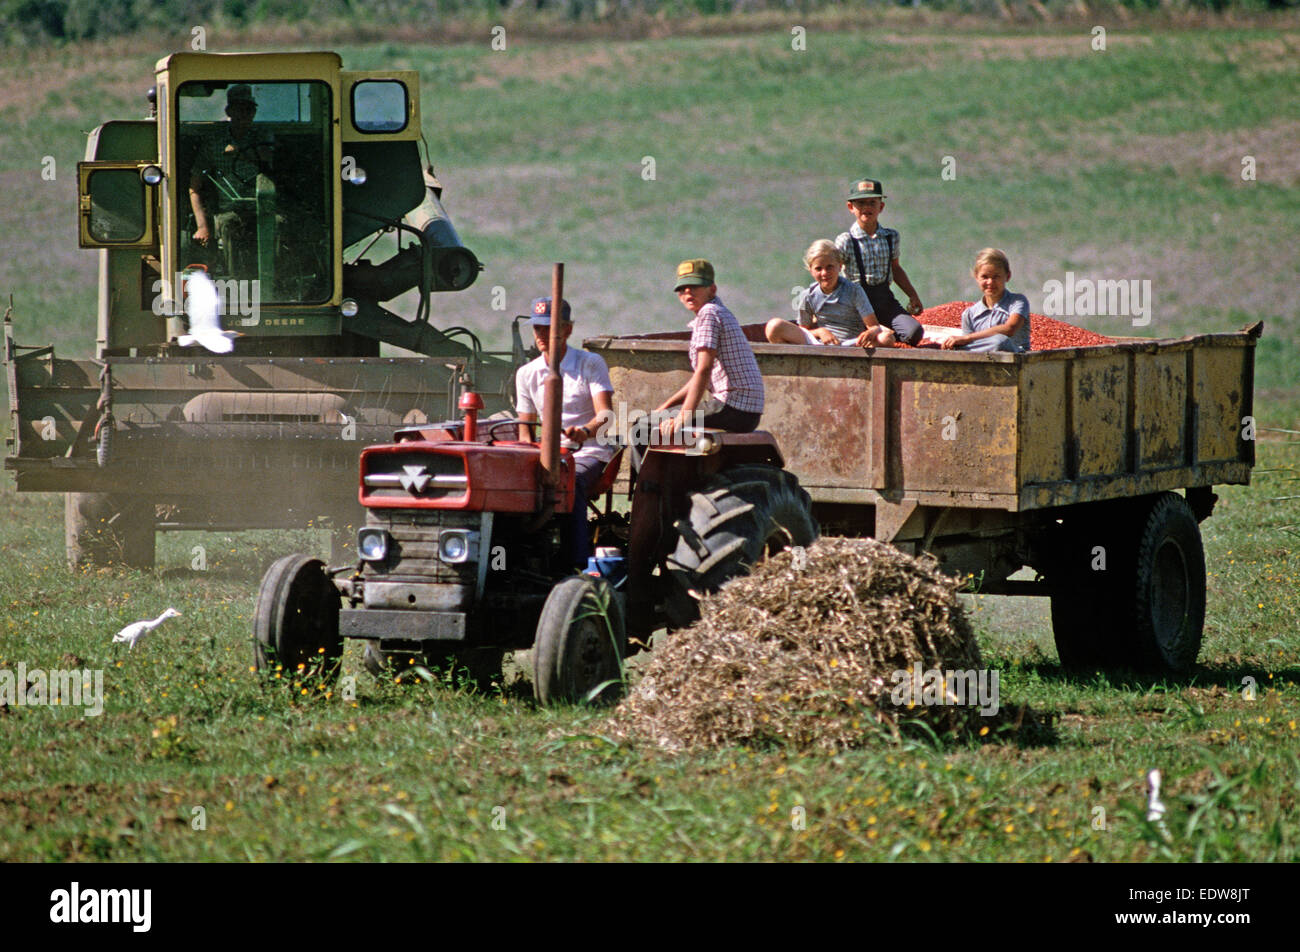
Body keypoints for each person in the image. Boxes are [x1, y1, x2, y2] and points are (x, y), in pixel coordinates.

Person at [514, 296, 616, 568]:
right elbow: (525, 431)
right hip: (547, 453)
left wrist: (585, 431)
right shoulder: (526, 373)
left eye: (550, 328)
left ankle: (575, 566)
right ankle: (519, 561)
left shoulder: (590, 363)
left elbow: (606, 416)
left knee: (571, 480)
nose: (542, 335)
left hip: (589, 450)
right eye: (538, 329)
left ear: (568, 330)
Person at [656, 258, 764, 437]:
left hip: (734, 408)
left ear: (712, 289)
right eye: (682, 288)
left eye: (695, 286)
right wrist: (666, 406)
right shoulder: (716, 312)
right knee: (660, 417)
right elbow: (701, 377)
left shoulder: (709, 313)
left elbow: (703, 370)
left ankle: (639, 467)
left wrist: (683, 416)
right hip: (745, 411)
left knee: (642, 426)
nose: (688, 291)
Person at [188, 83, 275, 279]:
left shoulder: (262, 135)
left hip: (264, 208)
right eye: (240, 109)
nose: (245, 114)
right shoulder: (214, 142)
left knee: (277, 225)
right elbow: (195, 186)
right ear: (229, 111)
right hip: (229, 210)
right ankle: (239, 283)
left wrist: (242, 155)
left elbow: (267, 158)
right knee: (229, 227)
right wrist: (202, 226)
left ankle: (276, 284)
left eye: (249, 109)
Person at [834, 177, 925, 346]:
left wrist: (912, 295)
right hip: (856, 302)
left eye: (872, 203)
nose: (866, 208)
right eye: (860, 203)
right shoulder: (846, 240)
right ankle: (879, 334)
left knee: (914, 333)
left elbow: (895, 268)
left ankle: (884, 332)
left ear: (881, 206)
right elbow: (833, 275)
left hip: (884, 299)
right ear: (850, 207)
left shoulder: (891, 237)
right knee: (856, 337)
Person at [765, 239, 895, 348]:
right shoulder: (807, 295)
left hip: (852, 345)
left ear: (840, 266)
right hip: (818, 345)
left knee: (886, 338)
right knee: (773, 326)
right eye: (818, 268)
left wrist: (870, 333)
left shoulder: (854, 291)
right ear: (811, 270)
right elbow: (803, 330)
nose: (824, 273)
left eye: (829, 267)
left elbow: (874, 326)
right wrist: (821, 332)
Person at [942, 248, 1032, 353]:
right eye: (985, 277)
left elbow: (1009, 329)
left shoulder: (1018, 301)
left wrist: (968, 338)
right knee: (956, 348)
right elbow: (968, 347)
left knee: (1000, 341)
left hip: (1016, 358)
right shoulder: (970, 314)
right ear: (976, 277)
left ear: (1007, 276)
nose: (990, 282)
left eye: (996, 277)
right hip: (980, 362)